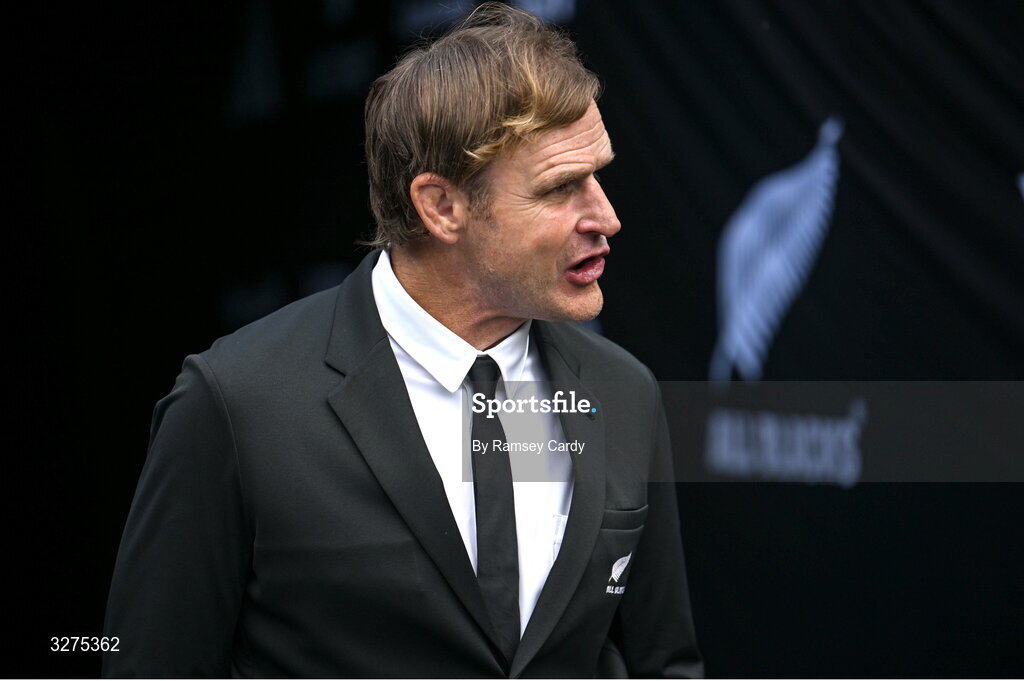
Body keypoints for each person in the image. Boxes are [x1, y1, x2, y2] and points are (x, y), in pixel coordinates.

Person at [103, 4, 702, 677]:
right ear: (441, 206)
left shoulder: (623, 393)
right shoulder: (238, 402)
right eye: (560, 188)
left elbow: (662, 662)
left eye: (597, 175)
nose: (606, 217)